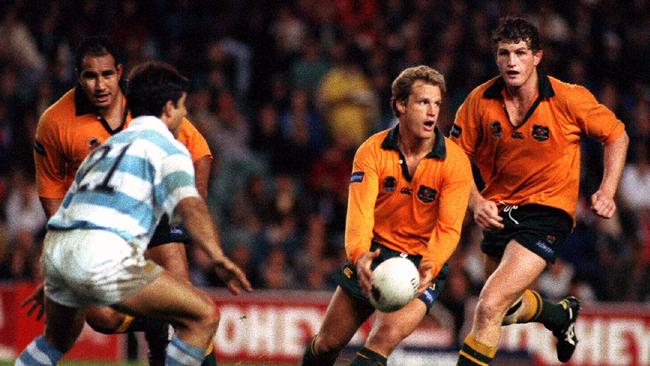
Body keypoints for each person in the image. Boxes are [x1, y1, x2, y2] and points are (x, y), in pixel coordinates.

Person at [14, 60, 252, 366]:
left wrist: (55, 273)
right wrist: (218, 257)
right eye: (182, 107)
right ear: (168, 108)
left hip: (60, 250)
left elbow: (68, 213)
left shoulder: (103, 150)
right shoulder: (169, 147)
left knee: (54, 342)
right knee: (203, 315)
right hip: (103, 255)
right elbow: (190, 205)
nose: (186, 114)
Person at [449, 17, 629, 365]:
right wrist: (476, 201)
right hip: (499, 211)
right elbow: (454, 157)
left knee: (487, 306)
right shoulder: (479, 101)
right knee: (503, 307)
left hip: (548, 213)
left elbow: (617, 135)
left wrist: (607, 189)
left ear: (537, 57)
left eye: (520, 53)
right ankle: (560, 316)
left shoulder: (568, 98)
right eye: (504, 53)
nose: (512, 62)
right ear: (496, 57)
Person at [302, 65, 472, 366]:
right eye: (423, 102)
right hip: (375, 253)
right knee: (327, 344)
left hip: (421, 263)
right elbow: (360, 213)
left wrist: (430, 267)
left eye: (436, 104)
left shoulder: (455, 162)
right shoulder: (371, 151)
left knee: (384, 337)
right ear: (400, 105)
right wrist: (359, 255)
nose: (432, 112)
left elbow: (448, 229)